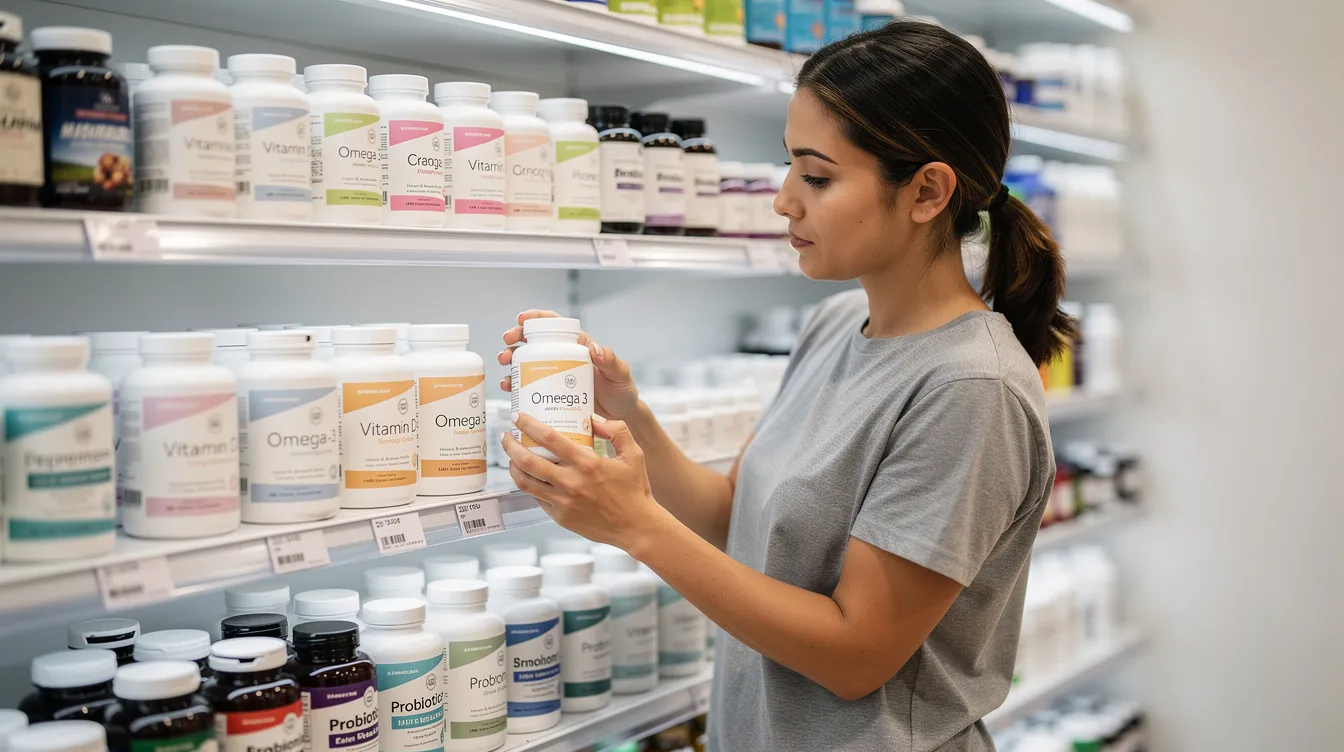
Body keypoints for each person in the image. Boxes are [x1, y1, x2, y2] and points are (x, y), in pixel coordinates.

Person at [498, 20, 1074, 752]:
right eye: (789, 166)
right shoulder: (838, 324)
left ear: (927, 190)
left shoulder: (971, 388)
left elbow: (855, 655)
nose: (784, 201)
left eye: (818, 175)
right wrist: (627, 415)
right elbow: (738, 519)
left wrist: (636, 527)